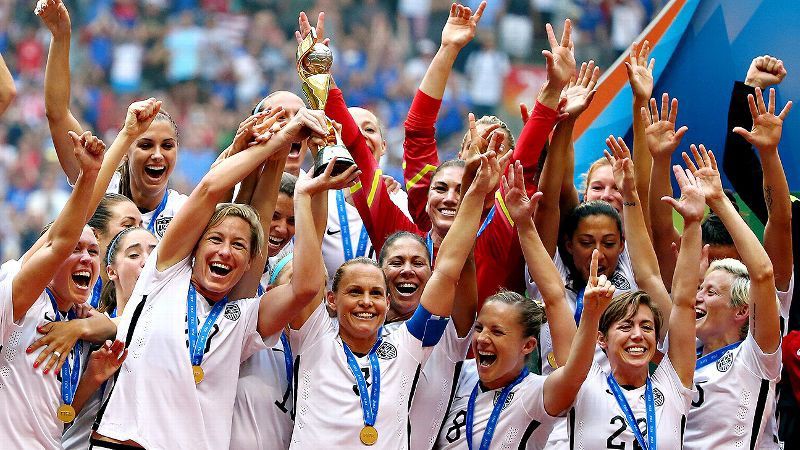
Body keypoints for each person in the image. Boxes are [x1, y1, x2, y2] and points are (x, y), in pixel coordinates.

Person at [91, 107, 331, 449]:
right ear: (195, 246)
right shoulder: (164, 275)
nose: (225, 252)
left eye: (238, 246)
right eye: (215, 240)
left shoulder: (244, 317)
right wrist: (276, 140)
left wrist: (300, 190)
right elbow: (207, 191)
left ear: (251, 263)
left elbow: (305, 288)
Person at [287, 148, 503, 448]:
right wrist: (304, 196)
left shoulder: (406, 345)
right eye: (355, 291)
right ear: (331, 300)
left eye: (375, 293)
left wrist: (475, 194)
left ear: (386, 300)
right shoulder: (314, 335)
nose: (366, 301)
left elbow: (449, 270)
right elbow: (307, 276)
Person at [568, 153, 703, 448]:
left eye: (647, 326)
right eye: (626, 326)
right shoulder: (583, 383)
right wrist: (590, 313)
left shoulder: (673, 384)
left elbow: (682, 302)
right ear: (601, 339)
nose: (638, 335)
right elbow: (555, 300)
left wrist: (693, 224)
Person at [0, 131, 116, 448]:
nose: (86, 258)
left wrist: (91, 377)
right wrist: (91, 172)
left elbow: (59, 418)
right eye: (75, 250)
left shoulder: (75, 321)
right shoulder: (21, 300)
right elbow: (58, 240)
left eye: (93, 251)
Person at [38, 0, 187, 238]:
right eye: (146, 145)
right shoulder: (99, 186)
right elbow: (57, 113)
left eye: (167, 146)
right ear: (125, 151)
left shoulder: (183, 212)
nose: (158, 155)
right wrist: (61, 36)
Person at [682, 145, 784, 449]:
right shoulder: (682, 351)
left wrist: (718, 201)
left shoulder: (755, 357)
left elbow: (763, 274)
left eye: (711, 291)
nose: (698, 298)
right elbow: (650, 274)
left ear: (741, 310)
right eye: (700, 289)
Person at [61, 226, 157, 450]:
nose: (147, 262)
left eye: (155, 255)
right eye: (134, 255)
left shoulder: (84, 326)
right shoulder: (85, 335)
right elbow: (59, 418)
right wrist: (91, 378)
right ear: (111, 271)